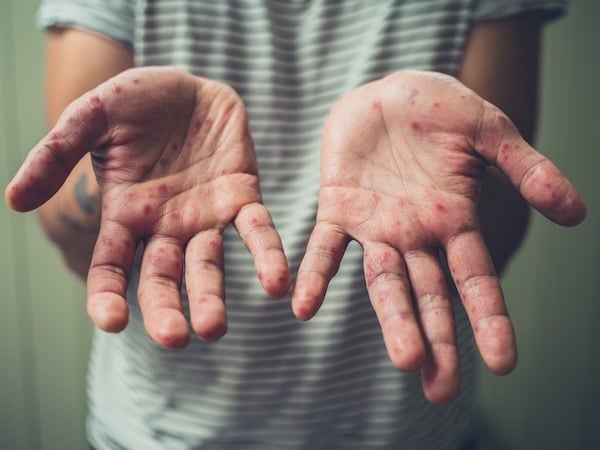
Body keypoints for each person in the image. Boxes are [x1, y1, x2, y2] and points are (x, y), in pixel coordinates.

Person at [5, 1, 587, 448]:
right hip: (161, 431)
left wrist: (452, 166)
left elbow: (490, 236)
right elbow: (73, 223)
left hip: (405, 433)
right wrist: (118, 185)